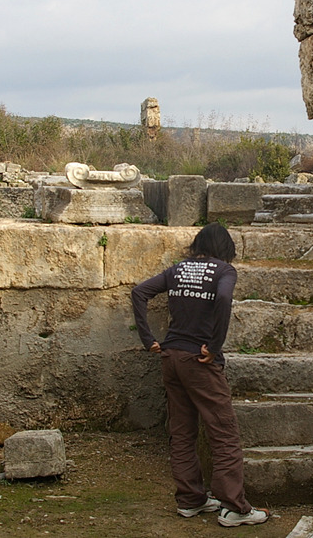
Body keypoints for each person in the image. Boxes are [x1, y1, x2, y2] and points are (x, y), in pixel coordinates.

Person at [131, 223, 269, 528]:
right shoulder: (224, 271)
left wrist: (148, 339)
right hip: (199, 360)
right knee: (223, 432)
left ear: (198, 245)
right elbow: (224, 299)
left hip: (171, 357)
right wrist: (215, 346)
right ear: (225, 248)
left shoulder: (178, 270)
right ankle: (234, 507)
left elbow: (139, 292)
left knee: (182, 431)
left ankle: (190, 499)